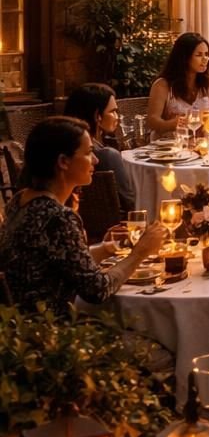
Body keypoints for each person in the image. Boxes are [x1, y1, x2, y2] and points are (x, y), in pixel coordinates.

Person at [0, 117, 167, 316]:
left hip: (17, 330)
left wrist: (103, 250)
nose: (96, 160)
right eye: (88, 153)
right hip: (50, 335)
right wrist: (140, 252)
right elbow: (97, 290)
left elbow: (57, 263)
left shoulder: (19, 202)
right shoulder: (58, 217)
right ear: (63, 162)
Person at [62, 83, 135, 209]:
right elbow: (129, 202)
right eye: (113, 112)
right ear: (97, 116)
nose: (117, 117)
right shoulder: (107, 156)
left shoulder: (64, 147)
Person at [146, 32, 209, 135]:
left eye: (206, 54)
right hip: (169, 144)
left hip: (201, 144)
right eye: (199, 55)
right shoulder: (163, 85)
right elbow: (152, 121)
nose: (205, 59)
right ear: (184, 58)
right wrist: (172, 124)